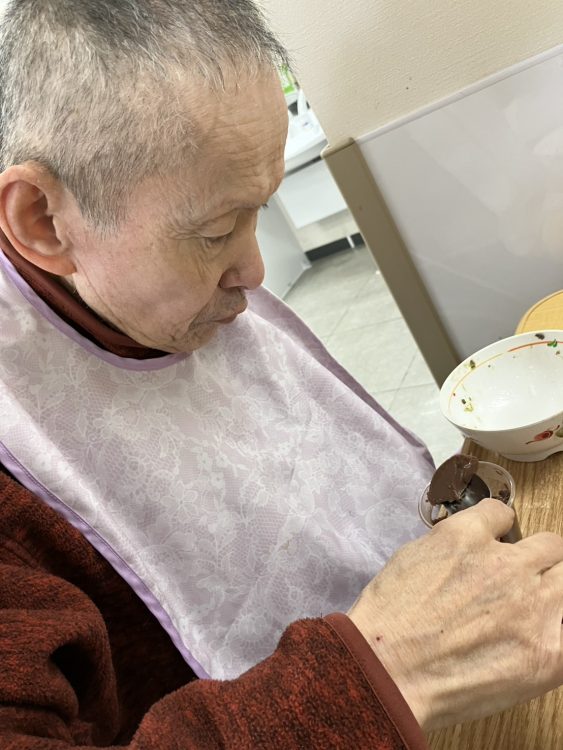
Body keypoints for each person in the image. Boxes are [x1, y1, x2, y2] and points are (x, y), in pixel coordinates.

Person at [0, 2, 561, 748]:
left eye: (257, 211)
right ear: (43, 222)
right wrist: (383, 673)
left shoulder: (160, 292)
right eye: (213, 233)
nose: (255, 272)